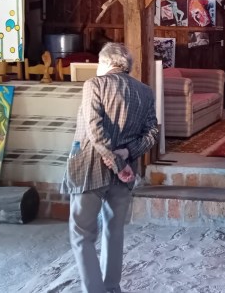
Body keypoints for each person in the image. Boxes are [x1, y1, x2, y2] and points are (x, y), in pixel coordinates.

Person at [62, 43, 159, 293]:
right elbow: (152, 134)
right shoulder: (145, 92)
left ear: (105, 62)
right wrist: (126, 155)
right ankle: (112, 287)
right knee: (114, 231)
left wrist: (115, 162)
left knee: (82, 233)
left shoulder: (93, 84)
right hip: (125, 171)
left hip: (90, 168)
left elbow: (95, 130)